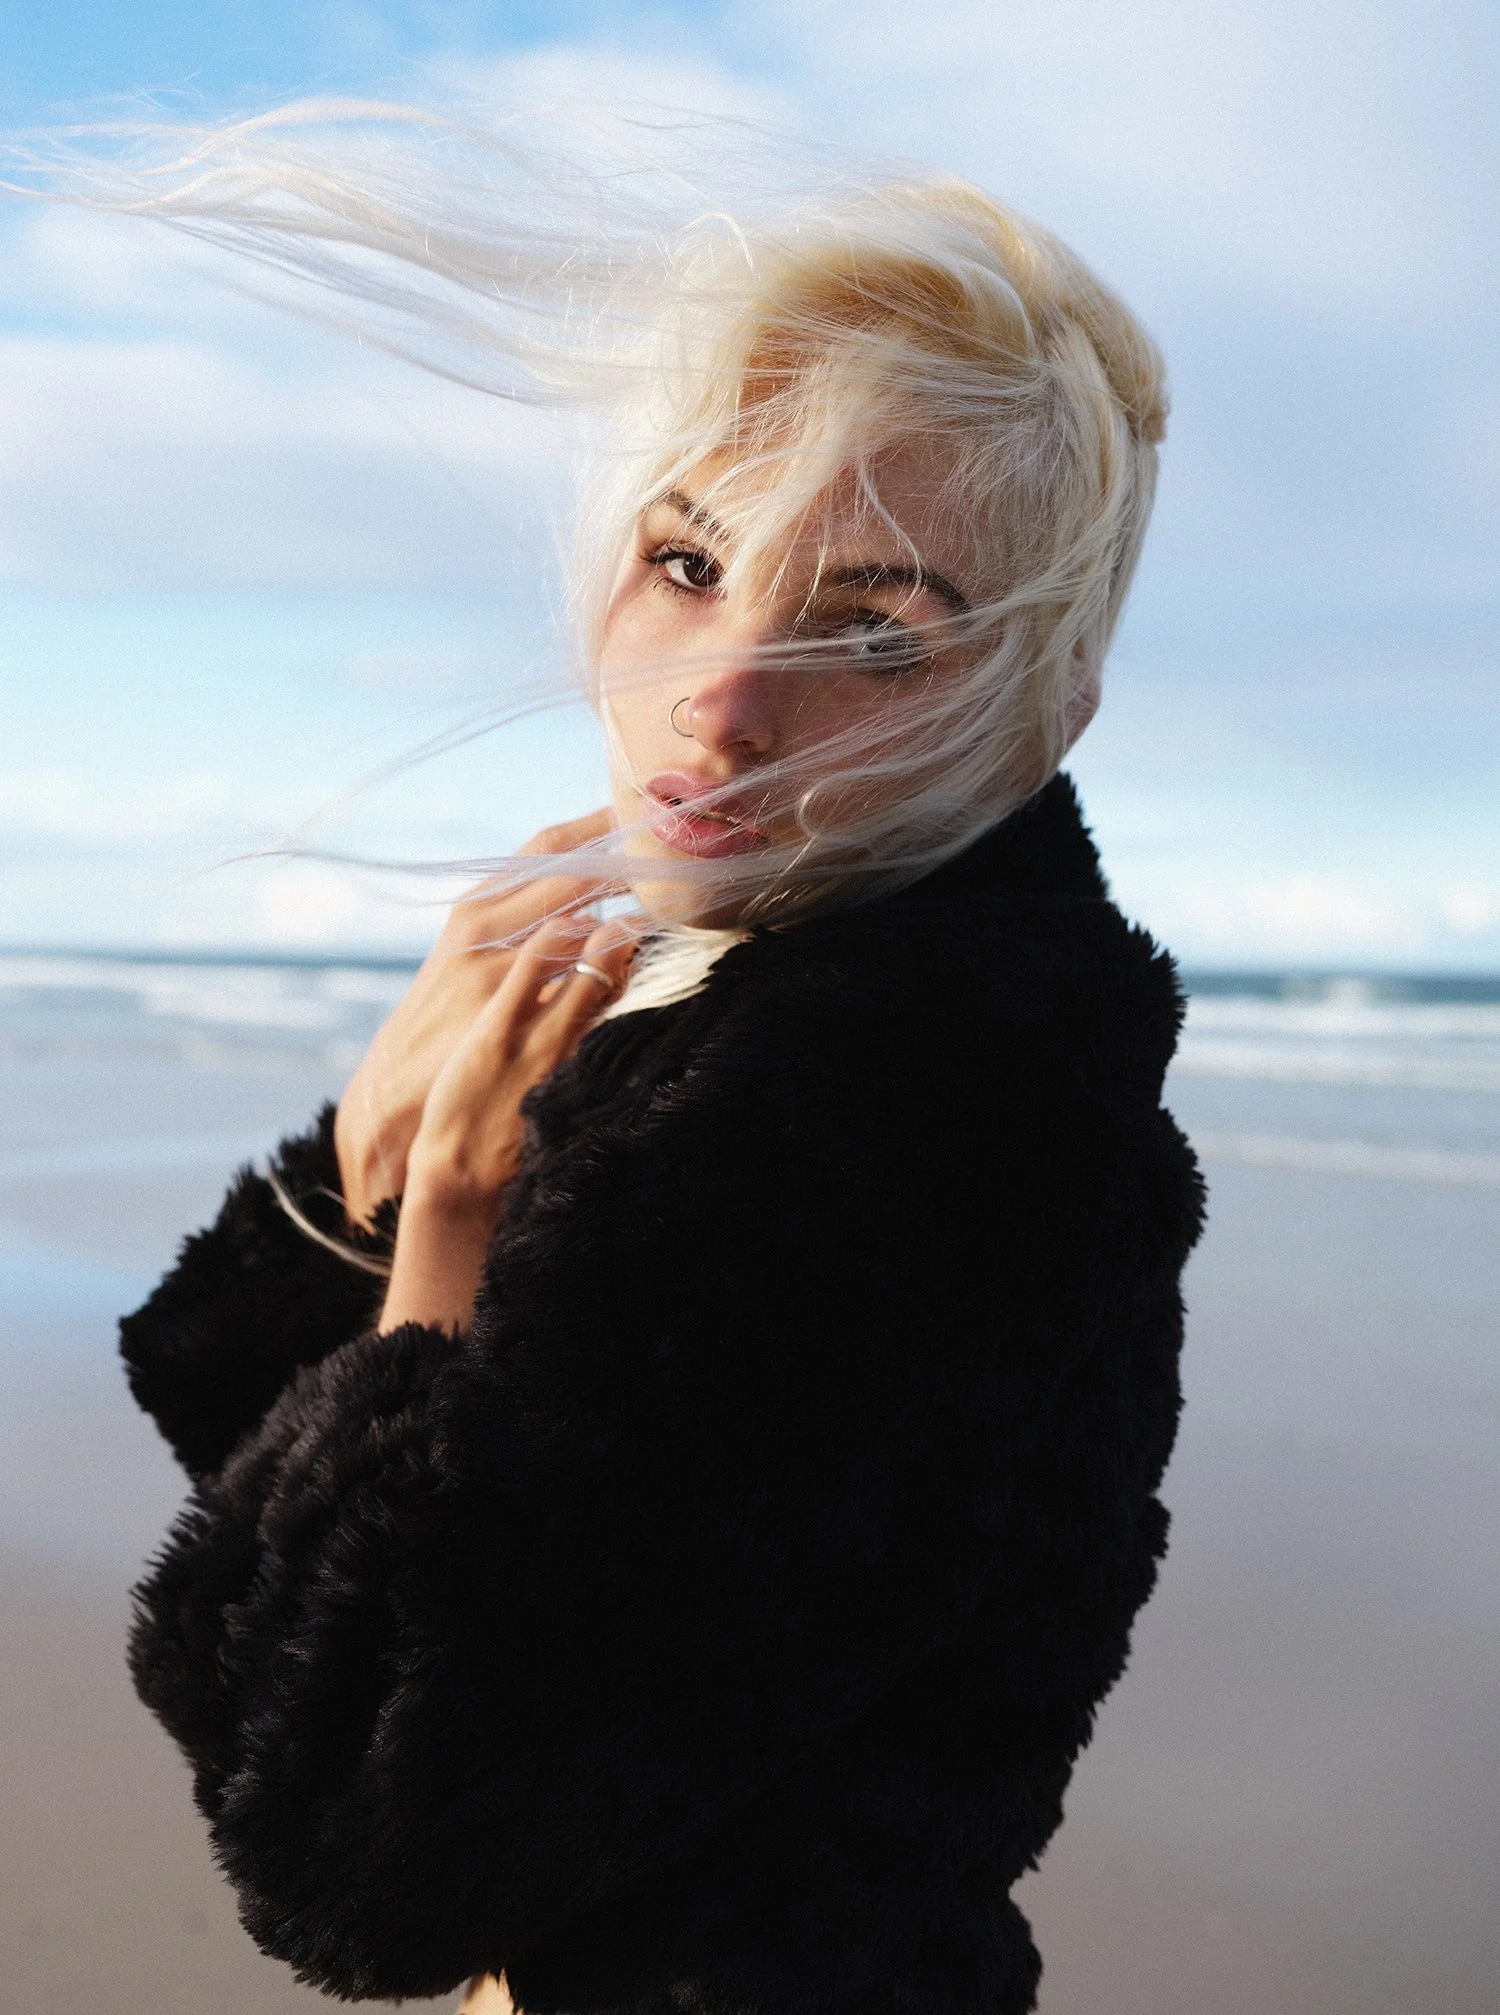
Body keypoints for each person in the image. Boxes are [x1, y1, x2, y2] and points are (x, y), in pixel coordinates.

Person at [106, 107, 1204, 2015]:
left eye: (877, 632)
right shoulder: (767, 998)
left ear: (1044, 713)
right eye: (692, 562)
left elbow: (363, 1844)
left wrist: (435, 1225)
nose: (722, 697)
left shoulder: (905, 1118)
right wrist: (353, 1174)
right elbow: (297, 1480)